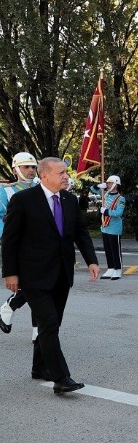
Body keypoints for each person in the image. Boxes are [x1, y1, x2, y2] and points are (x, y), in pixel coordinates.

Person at [1, 157, 100, 394]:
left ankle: (39, 368)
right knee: (48, 323)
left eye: (66, 173)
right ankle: (61, 378)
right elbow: (10, 240)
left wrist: (91, 260)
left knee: (52, 324)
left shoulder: (69, 200)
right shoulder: (23, 200)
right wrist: (10, 273)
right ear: (45, 175)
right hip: (33, 274)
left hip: (61, 274)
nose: (67, 176)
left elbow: (80, 232)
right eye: (62, 173)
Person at [0, 152, 40, 337]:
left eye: (33, 167)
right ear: (16, 169)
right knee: (35, 287)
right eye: (26, 167)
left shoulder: (43, 187)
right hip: (20, 247)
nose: (31, 170)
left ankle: (37, 330)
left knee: (40, 288)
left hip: (41, 245)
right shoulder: (6, 191)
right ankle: (8, 308)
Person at [98, 175, 126, 280]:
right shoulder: (106, 195)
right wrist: (99, 186)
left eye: (109, 183)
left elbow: (118, 213)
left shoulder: (121, 198)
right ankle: (110, 268)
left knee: (115, 250)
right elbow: (92, 189)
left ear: (115, 184)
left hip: (114, 228)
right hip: (105, 227)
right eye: (107, 183)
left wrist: (106, 211)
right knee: (107, 249)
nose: (108, 185)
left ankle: (117, 269)